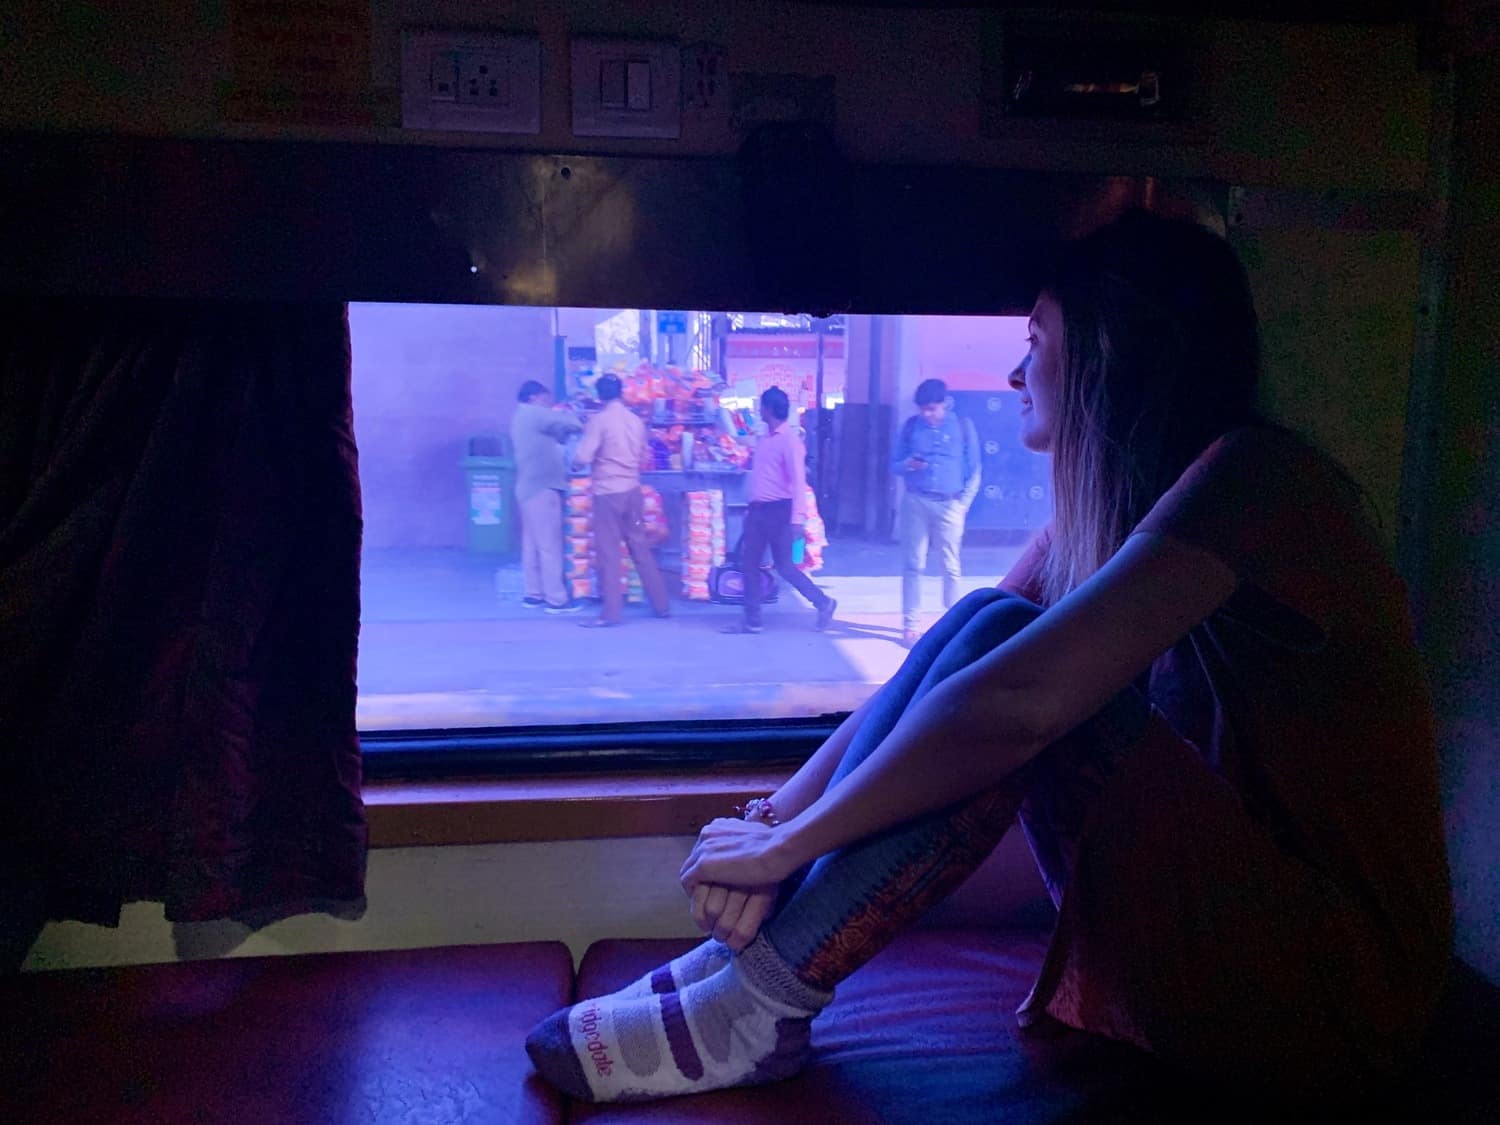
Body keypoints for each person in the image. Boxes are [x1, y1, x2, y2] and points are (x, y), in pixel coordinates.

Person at [527, 211, 1452, 1105]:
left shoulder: (1256, 485)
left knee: (1014, 660)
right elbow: (944, 663)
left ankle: (762, 1000)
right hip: (1244, 955)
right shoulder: (1130, 505)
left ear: (1103, 351)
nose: (1015, 370)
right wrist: (772, 817)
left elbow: (1015, 702)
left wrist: (788, 846)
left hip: (1340, 1004)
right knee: (985, 618)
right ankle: (744, 972)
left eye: (1037, 339)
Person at [723, 387, 838, 635]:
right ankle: (752, 620)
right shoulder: (764, 440)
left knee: (785, 567)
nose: (759, 410)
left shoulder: (790, 442)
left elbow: (798, 482)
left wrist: (798, 519)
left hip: (780, 512)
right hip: (757, 511)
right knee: (749, 564)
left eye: (762, 406)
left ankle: (823, 602)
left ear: (770, 409)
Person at [573, 373, 671, 628]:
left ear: (599, 396)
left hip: (608, 493)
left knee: (609, 553)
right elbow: (642, 455)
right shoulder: (635, 421)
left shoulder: (600, 420)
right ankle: (661, 605)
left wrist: (575, 460)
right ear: (621, 393)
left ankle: (611, 613)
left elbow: (583, 457)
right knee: (640, 548)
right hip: (633, 492)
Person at [892, 378, 982, 647]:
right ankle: (911, 626)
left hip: (951, 504)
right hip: (916, 502)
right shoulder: (910, 428)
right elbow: (894, 465)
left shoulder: (964, 427)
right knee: (913, 565)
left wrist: (963, 504)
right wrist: (908, 464)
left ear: (944, 404)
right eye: (923, 410)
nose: (927, 415)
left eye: (932, 409)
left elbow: (975, 469)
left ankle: (952, 625)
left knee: (951, 566)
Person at [510, 380, 584, 614]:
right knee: (550, 545)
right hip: (543, 487)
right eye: (545, 398)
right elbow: (568, 422)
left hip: (527, 488)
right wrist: (575, 415)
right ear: (534, 397)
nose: (548, 403)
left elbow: (555, 431)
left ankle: (534, 594)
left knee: (532, 544)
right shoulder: (534, 413)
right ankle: (557, 599)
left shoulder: (523, 417)